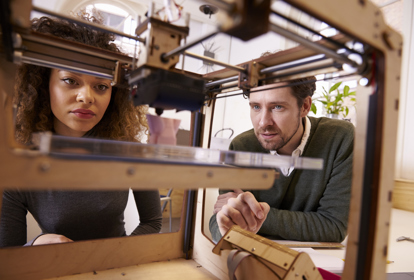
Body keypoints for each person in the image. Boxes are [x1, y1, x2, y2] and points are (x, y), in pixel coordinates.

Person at [0, 15, 162, 248]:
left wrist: (114, 257)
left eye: (101, 86)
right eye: (70, 80)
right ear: (44, 85)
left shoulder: (128, 149)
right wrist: (35, 245)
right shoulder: (16, 163)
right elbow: (7, 255)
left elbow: (152, 221)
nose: (86, 96)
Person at [209, 77, 354, 243]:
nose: (263, 122)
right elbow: (220, 221)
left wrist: (254, 215)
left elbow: (333, 226)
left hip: (311, 265)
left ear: (305, 106)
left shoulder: (341, 138)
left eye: (277, 107)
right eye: (256, 107)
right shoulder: (241, 145)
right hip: (253, 259)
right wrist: (228, 219)